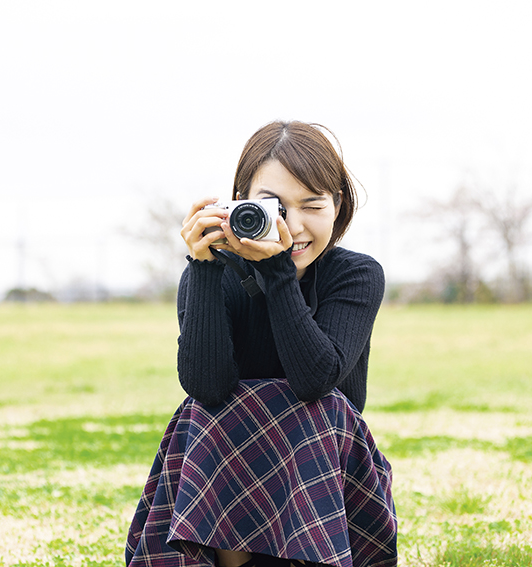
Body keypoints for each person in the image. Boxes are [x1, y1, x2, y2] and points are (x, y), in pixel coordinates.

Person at [125, 121, 397, 567]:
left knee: (317, 408)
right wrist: (205, 269)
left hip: (320, 482)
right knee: (202, 411)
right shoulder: (213, 274)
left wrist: (277, 274)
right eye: (274, 207)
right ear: (240, 204)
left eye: (312, 204)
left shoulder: (356, 275)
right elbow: (206, 388)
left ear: (338, 205)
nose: (293, 224)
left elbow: (315, 381)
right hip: (229, 500)